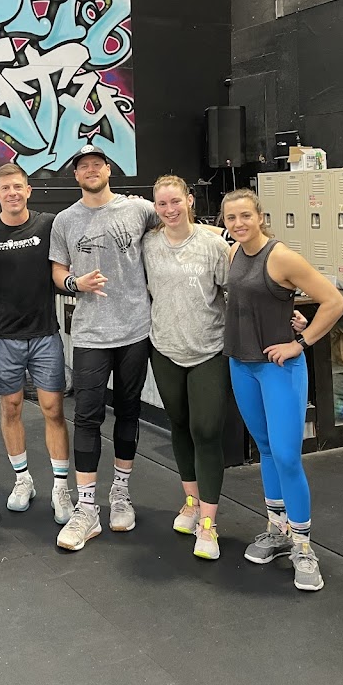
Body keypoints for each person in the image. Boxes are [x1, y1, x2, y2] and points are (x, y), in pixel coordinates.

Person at [222, 188, 343, 592]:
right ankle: (278, 530)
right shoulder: (232, 253)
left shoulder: (281, 257)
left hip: (279, 368)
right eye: (230, 218)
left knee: (288, 456)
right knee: (266, 449)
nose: (238, 223)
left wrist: (301, 342)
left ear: (260, 216)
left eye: (245, 215)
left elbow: (334, 302)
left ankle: (304, 546)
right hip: (242, 364)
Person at [49, 145, 157, 551]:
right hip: (91, 333)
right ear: (76, 176)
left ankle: (121, 493)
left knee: (129, 412)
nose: (90, 170)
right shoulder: (65, 220)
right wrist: (75, 284)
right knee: (87, 417)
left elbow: (177, 223)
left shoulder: (139, 210)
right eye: (83, 167)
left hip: (135, 330)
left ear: (108, 170)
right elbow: (58, 272)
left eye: (97, 164)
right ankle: (87, 507)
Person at [0, 162, 72, 525]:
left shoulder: (49, 225)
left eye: (18, 187)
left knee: (53, 410)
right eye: (6, 188)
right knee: (11, 408)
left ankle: (61, 487)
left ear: (28, 190)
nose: (12, 193)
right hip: (3, 337)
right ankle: (23, 480)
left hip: (44, 333)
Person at [142, 175, 231, 560]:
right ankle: (191, 503)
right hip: (165, 348)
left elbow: (236, 291)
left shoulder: (213, 245)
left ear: (190, 200)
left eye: (175, 201)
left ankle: (209, 523)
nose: (170, 209)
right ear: (155, 208)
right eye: (162, 204)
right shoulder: (149, 245)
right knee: (179, 424)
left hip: (208, 349)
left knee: (206, 430)